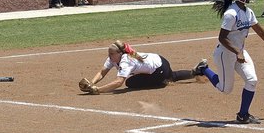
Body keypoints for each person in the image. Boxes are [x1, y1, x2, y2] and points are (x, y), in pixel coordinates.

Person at [194, 0, 264, 124]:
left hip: (239, 52)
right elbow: (222, 38)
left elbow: (260, 31)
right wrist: (237, 52)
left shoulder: (248, 12)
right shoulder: (231, 14)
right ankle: (203, 69)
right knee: (225, 89)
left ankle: (243, 115)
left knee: (252, 80)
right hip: (225, 54)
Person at [79, 40, 207, 94]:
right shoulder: (114, 58)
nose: (109, 56)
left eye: (111, 54)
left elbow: (119, 83)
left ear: (119, 53)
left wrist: (98, 90)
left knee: (130, 82)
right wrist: (91, 83)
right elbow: (102, 72)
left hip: (159, 69)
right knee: (171, 75)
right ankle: (196, 71)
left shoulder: (126, 60)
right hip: (160, 61)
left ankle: (162, 81)